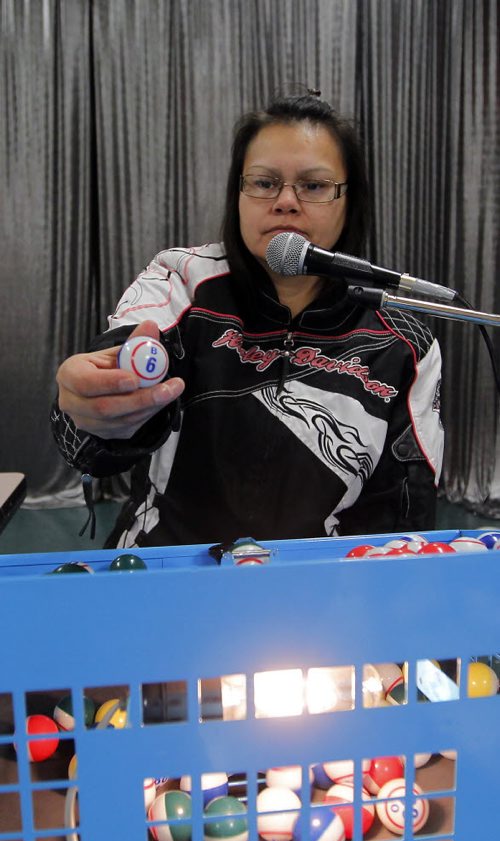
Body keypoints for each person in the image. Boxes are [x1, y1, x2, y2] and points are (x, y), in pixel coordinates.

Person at [51, 91, 444, 548]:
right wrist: (91, 413)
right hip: (167, 567)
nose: (286, 202)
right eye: (264, 182)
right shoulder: (179, 279)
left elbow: (402, 517)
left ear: (348, 200)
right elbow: (102, 410)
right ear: (238, 192)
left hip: (316, 588)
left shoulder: (405, 339)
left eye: (314, 186)